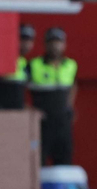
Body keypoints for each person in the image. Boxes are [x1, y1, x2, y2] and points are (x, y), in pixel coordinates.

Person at [28, 27, 78, 166]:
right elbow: (19, 88)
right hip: (43, 121)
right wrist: (28, 108)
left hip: (63, 121)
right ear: (45, 44)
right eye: (51, 42)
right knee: (40, 158)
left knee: (65, 158)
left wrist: (70, 106)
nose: (55, 46)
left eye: (58, 42)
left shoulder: (71, 65)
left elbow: (73, 85)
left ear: (64, 45)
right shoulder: (34, 65)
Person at [0, 24, 35, 109]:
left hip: (16, 115)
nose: (26, 44)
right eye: (22, 39)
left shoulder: (27, 64)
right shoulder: (2, 60)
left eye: (29, 40)